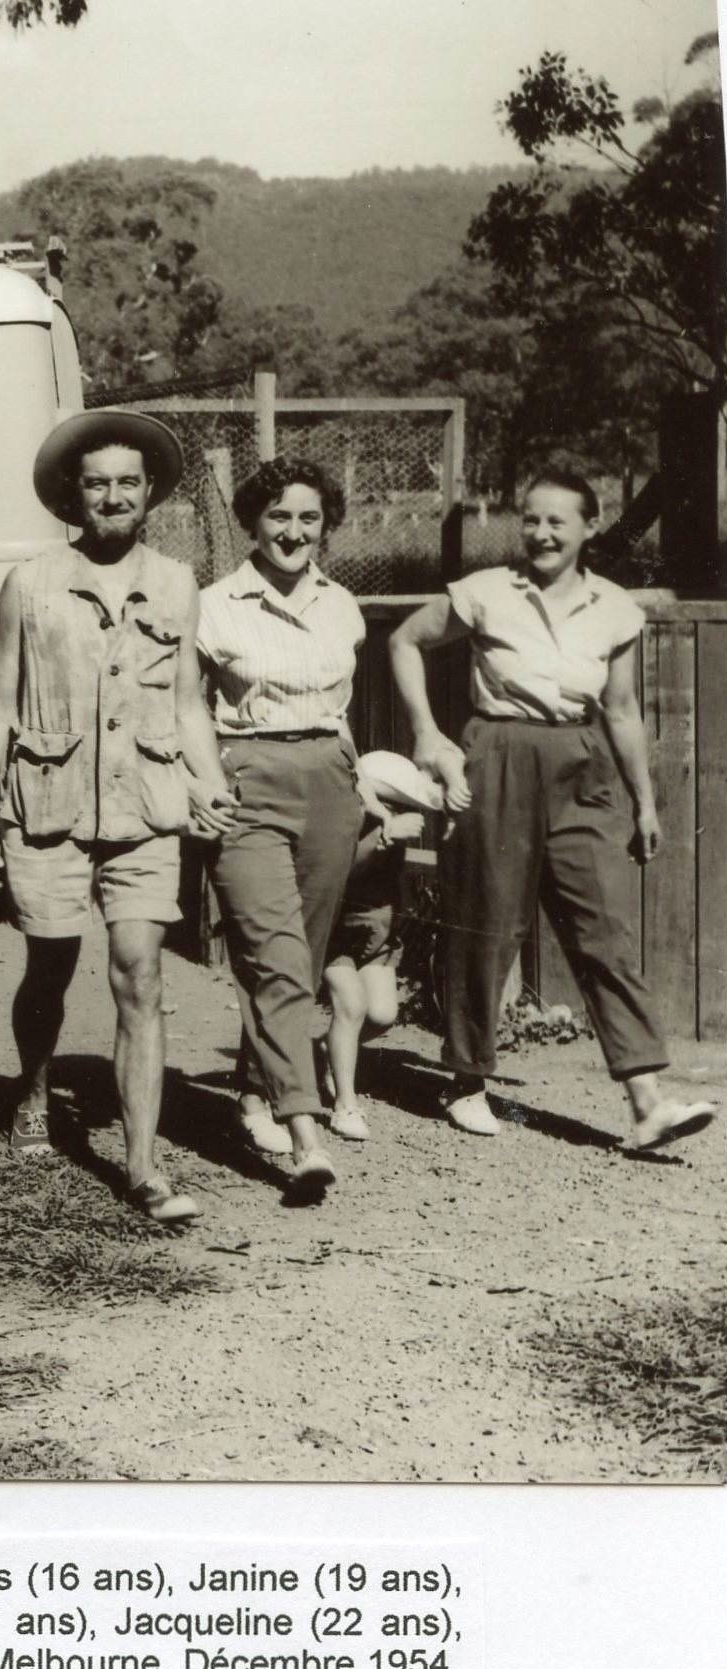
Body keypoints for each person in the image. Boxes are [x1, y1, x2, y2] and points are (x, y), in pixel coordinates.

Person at [0, 413, 236, 1223]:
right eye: (97, 483)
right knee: (49, 964)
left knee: (140, 974)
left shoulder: (179, 584)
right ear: (72, 496)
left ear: (149, 494)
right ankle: (33, 1092)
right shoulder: (32, 583)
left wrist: (209, 784)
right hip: (47, 806)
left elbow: (187, 704)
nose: (112, 496)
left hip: (147, 809)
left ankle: (143, 1165)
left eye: (127, 482)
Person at [389, 467, 715, 1153]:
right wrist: (425, 731)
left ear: (589, 526)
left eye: (556, 521)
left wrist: (645, 802)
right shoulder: (485, 593)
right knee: (487, 921)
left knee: (603, 928)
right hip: (499, 752)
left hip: (582, 762)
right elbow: (404, 642)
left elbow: (622, 710)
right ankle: (466, 1079)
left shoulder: (615, 609)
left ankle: (647, 1099)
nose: (540, 533)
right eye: (530, 519)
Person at [193, 457, 371, 1203]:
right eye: (278, 517)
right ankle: (305, 1136)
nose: (294, 532)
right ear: (252, 523)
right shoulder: (213, 605)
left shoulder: (343, 605)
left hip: (330, 781)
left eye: (308, 518)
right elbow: (183, 705)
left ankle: (254, 1093)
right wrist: (200, 782)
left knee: (301, 956)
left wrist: (358, 782)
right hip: (247, 779)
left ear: (325, 523)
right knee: (274, 954)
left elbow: (341, 704)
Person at [319, 749, 438, 1143]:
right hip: (336, 932)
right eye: (390, 805)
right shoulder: (351, 823)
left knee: (383, 1015)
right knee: (350, 1006)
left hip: (377, 938)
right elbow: (339, 871)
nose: (397, 813)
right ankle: (345, 1104)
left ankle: (326, 1049)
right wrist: (384, 835)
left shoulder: (394, 833)